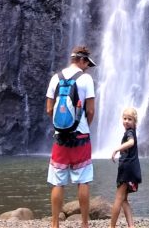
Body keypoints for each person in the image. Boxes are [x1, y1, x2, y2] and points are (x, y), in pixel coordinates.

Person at [45, 45, 97, 228]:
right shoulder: (86, 79)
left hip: (61, 136)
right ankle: (84, 224)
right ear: (82, 60)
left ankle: (54, 224)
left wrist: (61, 125)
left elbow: (49, 109)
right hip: (81, 136)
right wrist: (83, 125)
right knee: (83, 180)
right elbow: (90, 110)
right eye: (87, 64)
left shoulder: (55, 78)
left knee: (58, 181)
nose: (87, 67)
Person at [110, 106, 142, 228]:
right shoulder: (131, 132)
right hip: (132, 169)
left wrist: (116, 149)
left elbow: (131, 142)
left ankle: (111, 226)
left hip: (127, 170)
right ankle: (131, 225)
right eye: (125, 118)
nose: (127, 121)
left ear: (134, 122)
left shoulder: (129, 133)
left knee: (118, 198)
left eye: (130, 119)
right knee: (123, 200)